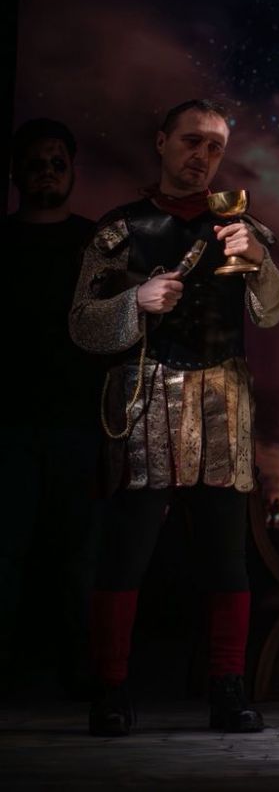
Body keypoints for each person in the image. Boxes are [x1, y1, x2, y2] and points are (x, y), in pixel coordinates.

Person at [69, 98, 279, 736]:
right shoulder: (120, 229)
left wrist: (260, 262)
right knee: (126, 552)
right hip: (145, 403)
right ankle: (110, 690)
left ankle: (228, 689)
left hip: (223, 403)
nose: (203, 156)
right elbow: (81, 324)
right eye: (192, 141)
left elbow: (273, 311)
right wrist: (134, 301)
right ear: (162, 142)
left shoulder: (241, 227)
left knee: (226, 557)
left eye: (215, 147)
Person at [1, 120, 104, 700]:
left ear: (72, 172)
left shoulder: (93, 244)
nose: (47, 171)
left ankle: (80, 674)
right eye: (36, 162)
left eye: (57, 162)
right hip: (8, 422)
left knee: (78, 555)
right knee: (6, 551)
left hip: (78, 422)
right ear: (16, 172)